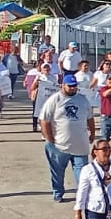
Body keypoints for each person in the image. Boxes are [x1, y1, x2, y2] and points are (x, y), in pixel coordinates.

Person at [40, 74, 96, 203]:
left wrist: (92, 133)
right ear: (62, 85)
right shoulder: (55, 99)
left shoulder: (82, 100)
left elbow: (90, 118)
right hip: (59, 146)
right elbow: (44, 120)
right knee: (57, 173)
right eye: (69, 86)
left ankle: (83, 196)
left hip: (80, 145)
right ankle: (58, 192)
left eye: (74, 86)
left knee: (82, 175)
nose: (72, 88)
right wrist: (49, 138)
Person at [28, 63, 57, 133]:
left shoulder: (53, 77)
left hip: (49, 97)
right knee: (36, 111)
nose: (46, 69)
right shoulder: (39, 77)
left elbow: (56, 87)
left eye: (47, 68)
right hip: (39, 97)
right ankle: (35, 126)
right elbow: (32, 87)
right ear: (41, 69)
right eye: (44, 68)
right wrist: (37, 83)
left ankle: (47, 126)